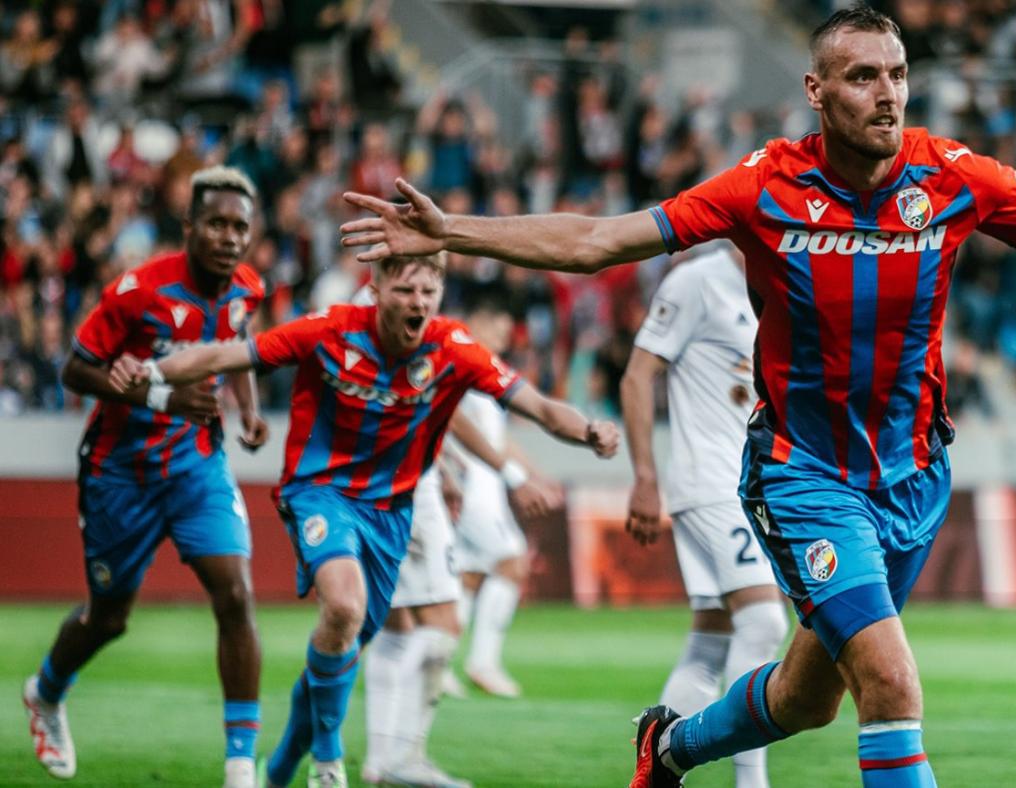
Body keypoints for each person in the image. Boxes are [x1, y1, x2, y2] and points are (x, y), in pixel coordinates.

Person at [337, 6, 1016, 785]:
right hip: (802, 474)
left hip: (914, 478)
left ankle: (669, 747)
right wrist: (455, 230)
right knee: (892, 682)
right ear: (817, 92)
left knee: (806, 696)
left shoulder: (952, 177)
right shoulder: (760, 186)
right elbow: (600, 239)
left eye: (898, 74)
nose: (887, 93)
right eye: (863, 76)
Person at [109, 252, 620, 788]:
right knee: (345, 605)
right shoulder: (331, 330)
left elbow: (535, 404)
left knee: (343, 641)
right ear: (376, 291)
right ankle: (329, 760)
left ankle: (280, 767)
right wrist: (150, 371)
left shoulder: (453, 346)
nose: (417, 302)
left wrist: (587, 431)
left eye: (427, 291)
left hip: (390, 512)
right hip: (320, 493)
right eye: (404, 290)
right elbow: (226, 354)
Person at [23, 166, 269, 788]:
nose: (229, 238)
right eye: (216, 223)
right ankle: (46, 693)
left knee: (236, 594)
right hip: (120, 472)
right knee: (109, 618)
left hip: (196, 465)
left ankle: (241, 767)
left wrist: (248, 407)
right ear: (189, 226)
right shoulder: (138, 291)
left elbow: (238, 341)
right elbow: (76, 371)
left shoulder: (247, 289)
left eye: (239, 227)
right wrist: (162, 399)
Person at [350, 289, 558, 787]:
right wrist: (450, 467)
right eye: (499, 324)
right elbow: (441, 416)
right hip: (439, 488)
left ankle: (381, 757)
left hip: (429, 483)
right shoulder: (450, 351)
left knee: (418, 610)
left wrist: (525, 472)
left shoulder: (464, 358)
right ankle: (466, 678)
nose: (505, 334)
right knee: (491, 574)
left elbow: (484, 432)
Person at [620, 245, 789, 788]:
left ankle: (655, 766)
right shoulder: (698, 280)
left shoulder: (783, 280)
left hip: (755, 483)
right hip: (709, 479)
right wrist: (644, 476)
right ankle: (751, 782)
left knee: (710, 639)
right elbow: (637, 375)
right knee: (763, 621)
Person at [449, 295, 565, 700]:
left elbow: (500, 439)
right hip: (472, 486)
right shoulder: (461, 367)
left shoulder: (486, 374)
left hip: (485, 486)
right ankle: (483, 662)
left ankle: (439, 663)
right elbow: (449, 423)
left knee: (470, 575)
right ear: (476, 325)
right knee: (512, 561)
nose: (503, 338)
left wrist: (535, 475)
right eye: (497, 330)